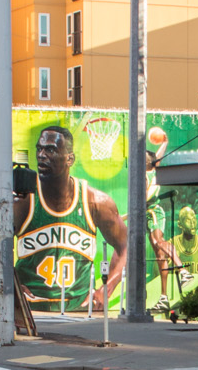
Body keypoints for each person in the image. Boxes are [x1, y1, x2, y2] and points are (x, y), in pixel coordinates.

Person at [13, 124, 127, 314]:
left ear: (69, 159)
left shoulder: (96, 202)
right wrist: (12, 285)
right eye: (39, 149)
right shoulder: (23, 201)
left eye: (50, 149)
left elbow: (126, 246)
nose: (42, 155)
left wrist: (105, 290)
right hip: (31, 310)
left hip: (80, 309)